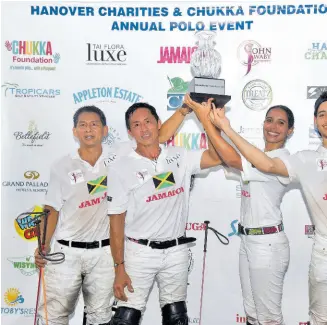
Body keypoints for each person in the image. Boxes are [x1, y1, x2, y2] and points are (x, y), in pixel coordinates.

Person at [208, 91, 327, 324]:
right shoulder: (305, 159)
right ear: (315, 121)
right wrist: (226, 128)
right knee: (320, 320)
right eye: (322, 115)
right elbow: (265, 163)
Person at [34, 105, 193, 325]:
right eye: (82, 125)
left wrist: (183, 111)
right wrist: (43, 246)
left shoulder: (120, 155)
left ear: (105, 130)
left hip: (105, 254)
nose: (88, 130)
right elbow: (51, 209)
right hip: (66, 252)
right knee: (54, 316)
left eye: (94, 124)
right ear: (74, 131)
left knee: (100, 317)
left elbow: (160, 135)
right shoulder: (61, 166)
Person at [107, 101, 224, 325]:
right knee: (125, 318)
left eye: (148, 122)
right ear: (130, 132)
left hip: (176, 252)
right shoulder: (121, 167)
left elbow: (217, 157)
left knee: (176, 317)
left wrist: (209, 121)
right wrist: (119, 267)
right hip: (139, 253)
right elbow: (116, 221)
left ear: (159, 123)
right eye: (137, 125)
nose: (144, 129)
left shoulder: (181, 155)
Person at [184, 94, 294, 325]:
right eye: (269, 120)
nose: (273, 127)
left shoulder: (281, 159)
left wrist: (210, 123)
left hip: (268, 245)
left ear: (290, 131)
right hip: (248, 241)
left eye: (281, 123)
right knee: (253, 313)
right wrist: (211, 124)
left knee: (269, 318)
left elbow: (234, 159)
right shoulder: (256, 155)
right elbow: (224, 156)